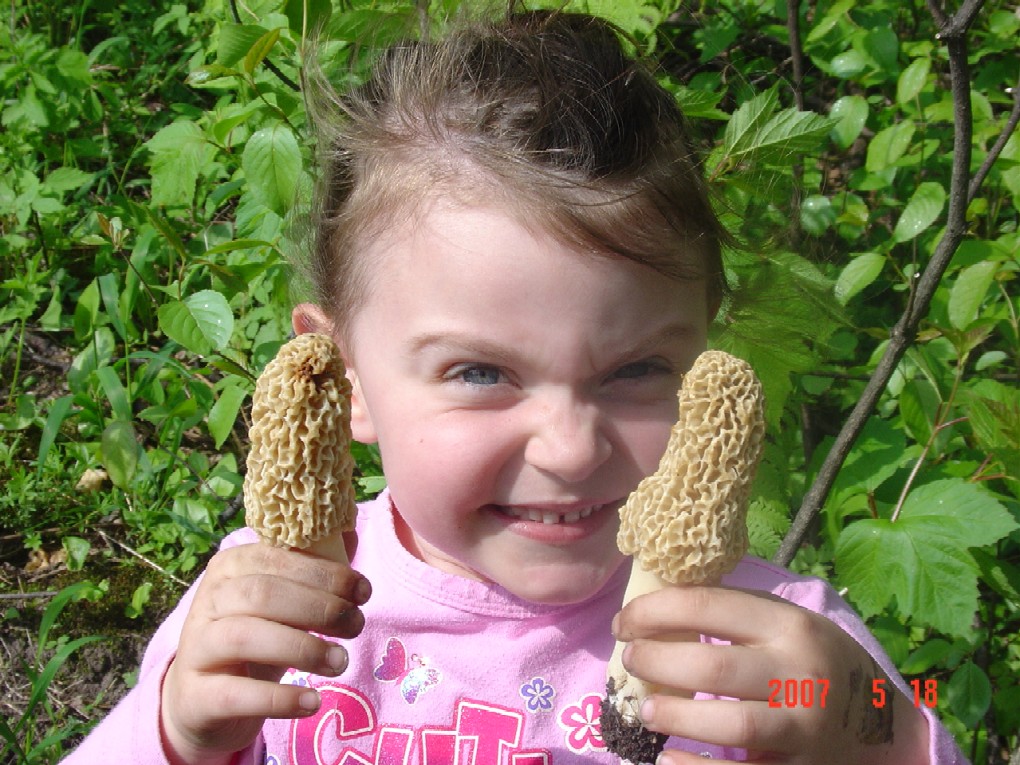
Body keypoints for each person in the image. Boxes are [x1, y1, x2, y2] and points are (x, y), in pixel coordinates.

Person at [63, 9, 968, 765]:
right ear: (345, 383)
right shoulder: (265, 609)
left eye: (637, 370)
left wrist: (879, 733)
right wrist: (180, 732)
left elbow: (887, 722)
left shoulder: (777, 643)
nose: (570, 448)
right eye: (481, 372)